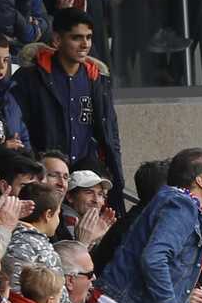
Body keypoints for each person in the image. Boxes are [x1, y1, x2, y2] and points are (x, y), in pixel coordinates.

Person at [97, 146, 202, 303]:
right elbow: (154, 260)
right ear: (201, 181)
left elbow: (174, 281)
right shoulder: (182, 206)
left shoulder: (180, 205)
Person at [13, 12, 123, 198]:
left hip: (84, 180)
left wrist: (117, 179)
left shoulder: (96, 79)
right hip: (43, 178)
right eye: (76, 38)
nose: (85, 44)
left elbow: (110, 134)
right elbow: (18, 129)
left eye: (89, 37)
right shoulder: (30, 77)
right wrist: (33, 165)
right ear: (57, 39)